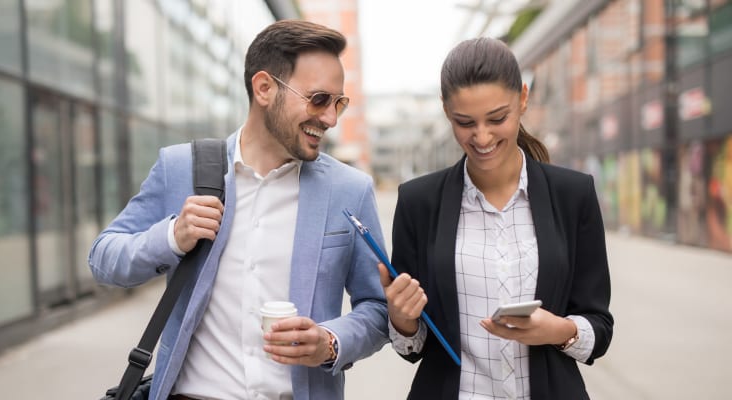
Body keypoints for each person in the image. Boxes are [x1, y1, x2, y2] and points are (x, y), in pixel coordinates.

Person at [89, 20, 389, 400]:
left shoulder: (349, 189)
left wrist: (330, 342)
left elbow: (379, 308)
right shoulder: (181, 168)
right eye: (318, 99)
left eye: (338, 103)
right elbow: (103, 258)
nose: (329, 118)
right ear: (264, 88)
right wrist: (171, 237)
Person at [380, 37, 613, 399]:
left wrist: (558, 330)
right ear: (446, 111)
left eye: (497, 118)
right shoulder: (417, 202)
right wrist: (402, 319)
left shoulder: (574, 195)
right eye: (465, 122)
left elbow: (599, 327)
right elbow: (414, 347)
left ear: (523, 98)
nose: (482, 136)